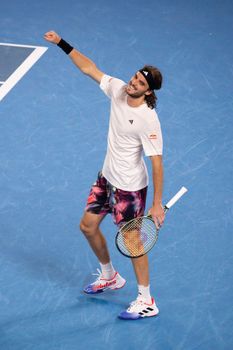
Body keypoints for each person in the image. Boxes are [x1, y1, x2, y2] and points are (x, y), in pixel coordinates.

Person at [44, 31, 165, 320]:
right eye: (135, 77)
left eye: (140, 83)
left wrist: (156, 203)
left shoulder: (148, 119)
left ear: (148, 91)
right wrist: (62, 43)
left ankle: (146, 300)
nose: (133, 82)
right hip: (106, 178)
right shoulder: (118, 89)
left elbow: (157, 163)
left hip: (130, 189)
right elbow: (89, 68)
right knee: (87, 227)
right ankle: (110, 276)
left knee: (133, 243)